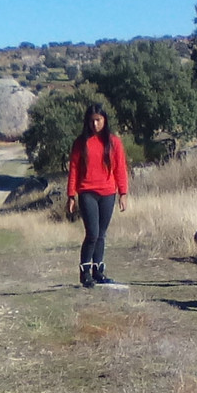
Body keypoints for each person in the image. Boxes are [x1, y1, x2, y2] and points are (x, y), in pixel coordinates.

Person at [66, 103, 129, 288]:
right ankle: (85, 272)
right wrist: (71, 195)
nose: (95, 124)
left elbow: (120, 169)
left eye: (98, 120)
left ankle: (98, 271)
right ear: (87, 121)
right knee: (92, 233)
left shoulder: (114, 142)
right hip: (87, 192)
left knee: (101, 234)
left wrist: (123, 194)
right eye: (92, 120)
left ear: (105, 120)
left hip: (108, 192)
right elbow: (74, 169)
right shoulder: (80, 142)